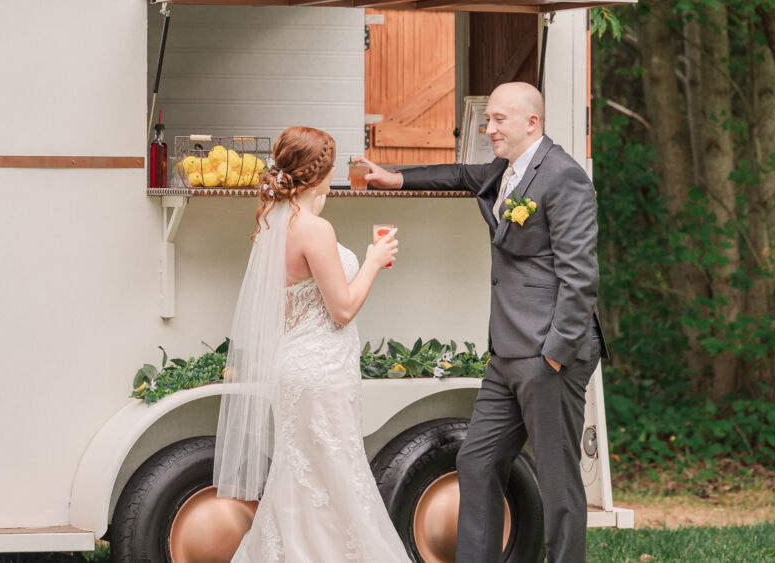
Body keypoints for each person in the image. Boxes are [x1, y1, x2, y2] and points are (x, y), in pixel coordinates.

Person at [360, 81, 608, 563]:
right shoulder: (507, 171)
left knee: (558, 483)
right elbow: (459, 173)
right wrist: (397, 178)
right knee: (476, 462)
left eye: (499, 120)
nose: (488, 128)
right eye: (488, 118)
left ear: (531, 123)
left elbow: (581, 278)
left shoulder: (564, 177)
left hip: (547, 355)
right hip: (507, 352)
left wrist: (554, 353)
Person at [214, 126, 409, 563]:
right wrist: (374, 262)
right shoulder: (314, 229)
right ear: (320, 172)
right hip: (322, 373)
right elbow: (342, 309)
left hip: (294, 370)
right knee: (338, 480)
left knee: (300, 480)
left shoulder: (273, 223)